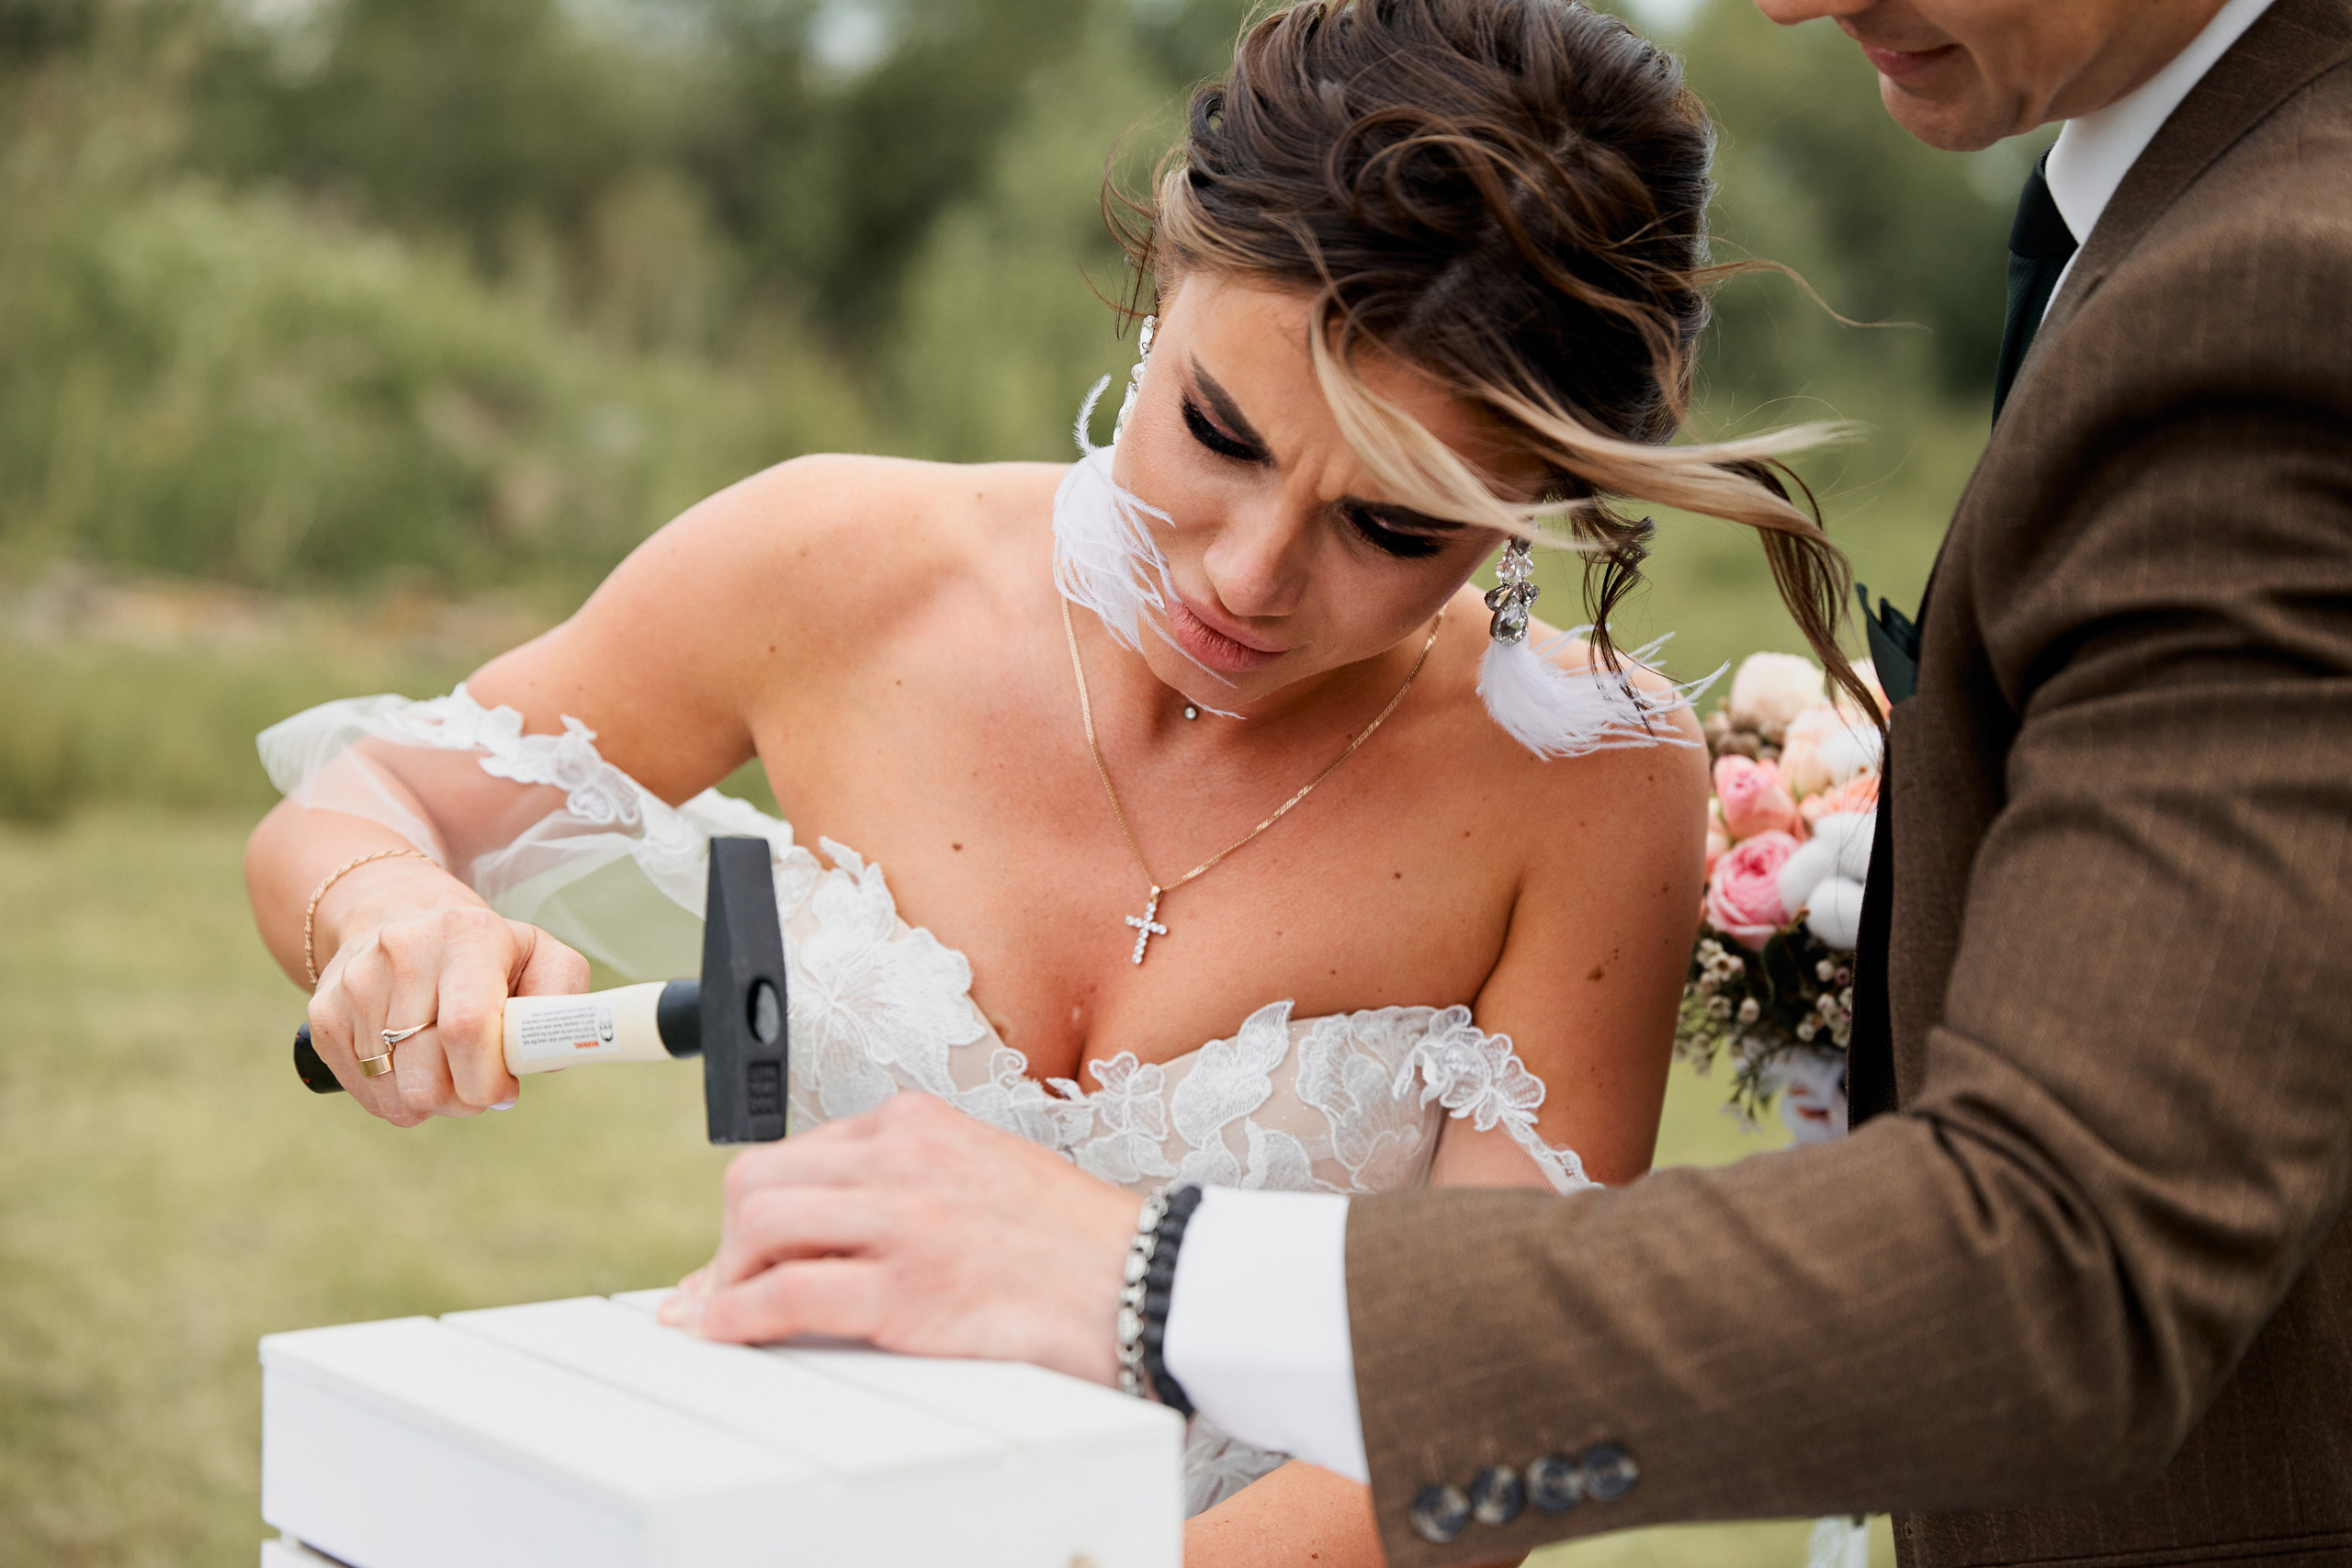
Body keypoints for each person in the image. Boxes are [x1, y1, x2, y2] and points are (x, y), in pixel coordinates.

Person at [665, 0, 2352, 1563]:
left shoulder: (2270, 291)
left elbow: (2067, 1267)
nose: (1783, 4)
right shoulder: (2167, 207)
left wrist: (1139, 1274)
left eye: (1398, 522)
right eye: (1220, 429)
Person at [243, 3, 1876, 1562]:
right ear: (1161, 283)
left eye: (1393, 527)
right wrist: (386, 907)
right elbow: (370, 800)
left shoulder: (1585, 781)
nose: (1246, 576)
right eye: (1219, 432)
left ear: (1534, 509)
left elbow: (1493, 1427)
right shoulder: (828, 562)